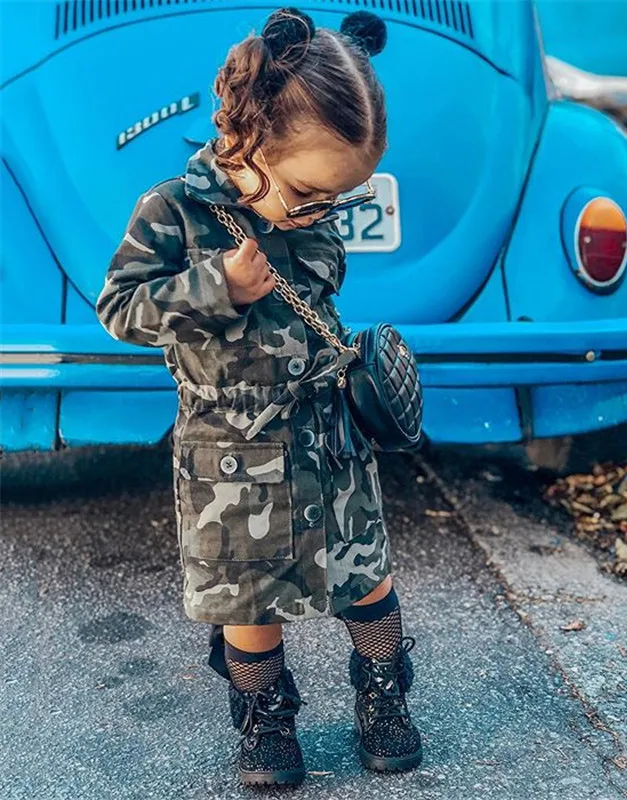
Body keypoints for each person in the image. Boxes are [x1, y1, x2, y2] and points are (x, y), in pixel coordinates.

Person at [94, 7, 421, 787]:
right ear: (246, 141)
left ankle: (382, 695)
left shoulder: (312, 218)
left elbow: (321, 297)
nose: (320, 212)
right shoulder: (171, 209)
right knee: (247, 601)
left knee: (366, 576)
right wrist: (218, 285)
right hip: (228, 455)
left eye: (336, 199)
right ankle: (266, 720)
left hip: (328, 439)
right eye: (309, 193)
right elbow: (119, 310)